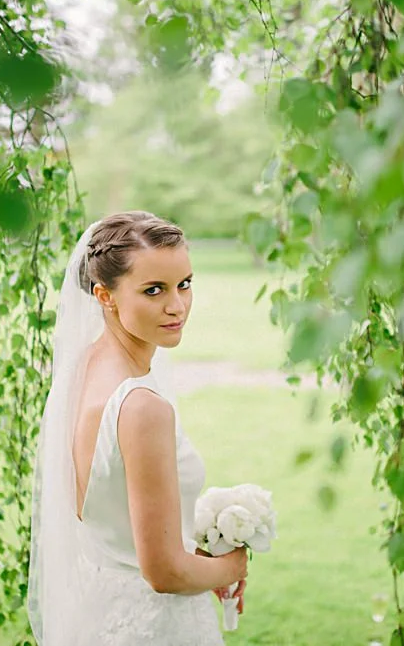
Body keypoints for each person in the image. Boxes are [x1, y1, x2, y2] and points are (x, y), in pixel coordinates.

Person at [28, 211, 248, 645]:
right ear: (104, 296)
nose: (177, 306)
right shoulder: (141, 406)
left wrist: (200, 558)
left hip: (102, 609)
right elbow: (164, 572)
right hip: (156, 626)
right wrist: (232, 566)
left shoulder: (83, 368)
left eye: (184, 284)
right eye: (154, 290)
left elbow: (116, 520)